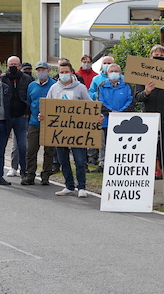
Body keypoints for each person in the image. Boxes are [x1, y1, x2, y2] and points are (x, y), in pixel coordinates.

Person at [134, 45, 164, 196]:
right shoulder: (142, 75)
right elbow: (137, 97)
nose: (158, 56)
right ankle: (146, 186)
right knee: (148, 154)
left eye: (161, 54)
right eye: (155, 54)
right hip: (148, 120)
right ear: (150, 57)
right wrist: (146, 92)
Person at [42, 60, 93, 198]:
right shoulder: (54, 88)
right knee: (63, 160)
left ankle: (81, 187)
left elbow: (90, 106)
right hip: (59, 131)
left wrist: (97, 116)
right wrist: (43, 115)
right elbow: (47, 106)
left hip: (77, 130)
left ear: (72, 72)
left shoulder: (80, 88)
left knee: (80, 160)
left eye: (66, 72)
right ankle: (69, 185)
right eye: (61, 72)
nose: (64, 74)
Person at [22, 62, 57, 186]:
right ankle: (30, 174)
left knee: (49, 150)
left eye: (43, 70)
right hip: (34, 122)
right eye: (39, 70)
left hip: (50, 123)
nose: (41, 72)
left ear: (48, 71)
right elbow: (30, 101)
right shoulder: (32, 86)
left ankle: (46, 175)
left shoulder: (55, 85)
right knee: (31, 150)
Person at [2, 56, 34, 178]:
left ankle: (23, 170)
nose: (13, 66)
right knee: (4, 145)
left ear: (19, 66)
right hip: (7, 117)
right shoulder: (2, 79)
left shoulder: (27, 79)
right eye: (11, 64)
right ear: (7, 66)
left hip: (22, 116)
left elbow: (30, 97)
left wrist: (28, 111)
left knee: (22, 145)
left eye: (16, 64)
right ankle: (11, 168)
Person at [99, 63, 133, 168]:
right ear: (107, 73)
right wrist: (110, 112)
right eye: (111, 71)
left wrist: (120, 113)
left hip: (123, 121)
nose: (114, 73)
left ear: (120, 73)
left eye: (116, 71)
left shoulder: (127, 85)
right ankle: (104, 164)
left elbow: (130, 101)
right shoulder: (102, 86)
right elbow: (100, 101)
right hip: (107, 121)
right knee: (105, 144)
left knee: (121, 144)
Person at [88, 55, 115, 171]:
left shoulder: (121, 78)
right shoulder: (97, 79)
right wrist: (99, 95)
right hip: (102, 114)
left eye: (109, 63)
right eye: (105, 63)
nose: (107, 65)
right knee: (102, 141)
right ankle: (102, 163)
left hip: (115, 115)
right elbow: (90, 93)